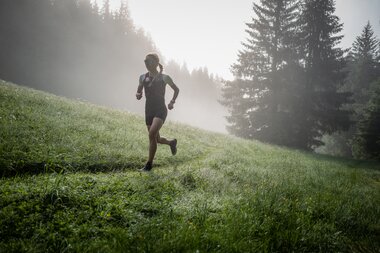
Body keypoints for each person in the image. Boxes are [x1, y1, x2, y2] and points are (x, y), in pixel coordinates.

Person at [136, 53, 179, 171]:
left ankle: (149, 165)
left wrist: (172, 102)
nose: (146, 64)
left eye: (148, 61)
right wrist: (138, 94)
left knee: (151, 134)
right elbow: (139, 91)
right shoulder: (142, 77)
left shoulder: (164, 78)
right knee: (156, 139)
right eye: (145, 62)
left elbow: (176, 89)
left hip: (160, 109)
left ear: (155, 63)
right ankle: (171, 143)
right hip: (148, 110)